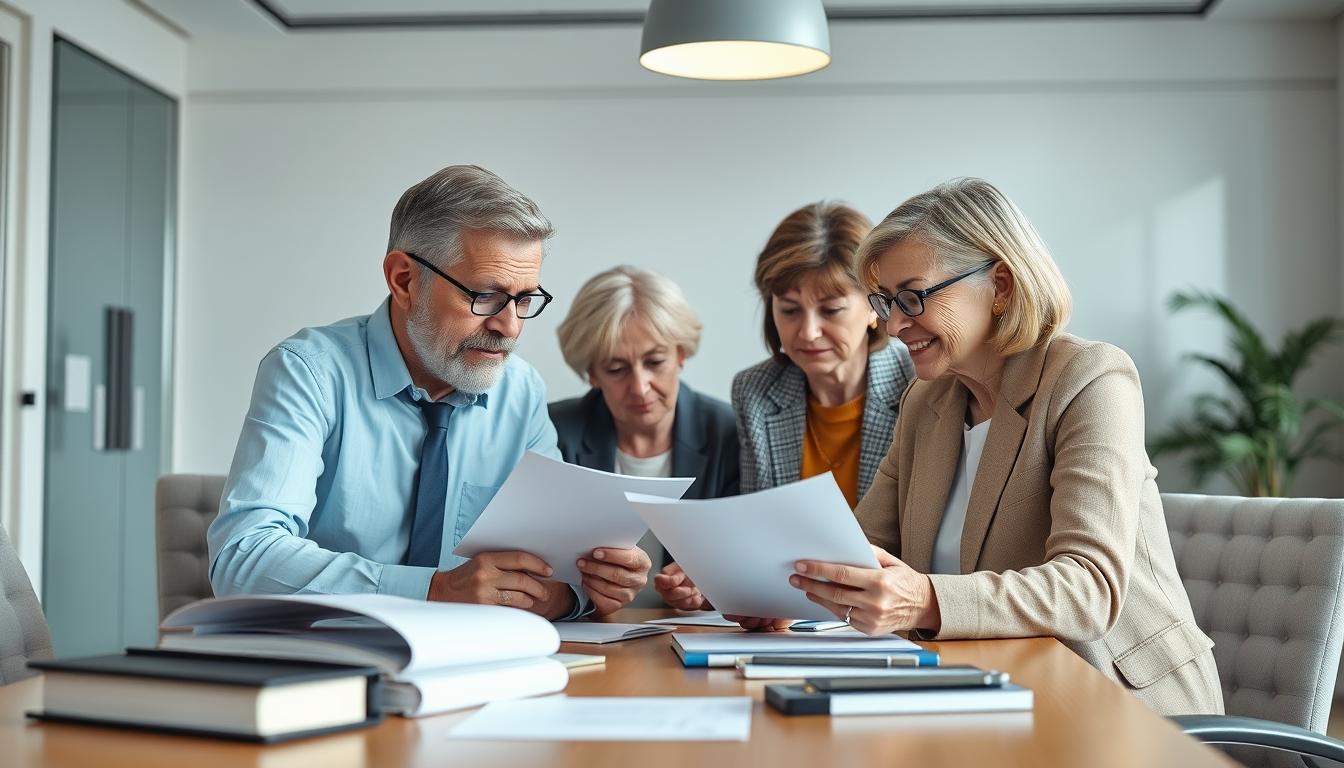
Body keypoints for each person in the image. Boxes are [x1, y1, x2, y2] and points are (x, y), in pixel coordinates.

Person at [787, 178, 1223, 716]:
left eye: (912, 297)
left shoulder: (1090, 378)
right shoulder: (927, 402)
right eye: (884, 301)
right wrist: (768, 591)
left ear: (1001, 286)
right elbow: (854, 550)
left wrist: (924, 599)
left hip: (1115, 704)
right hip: (980, 693)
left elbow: (1089, 589)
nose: (894, 324)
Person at [208, 164, 650, 620]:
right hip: (328, 661)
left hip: (474, 664)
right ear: (404, 280)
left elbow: (557, 564)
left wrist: (591, 582)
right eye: (485, 296)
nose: (509, 327)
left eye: (523, 300)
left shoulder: (520, 391)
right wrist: (433, 591)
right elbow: (243, 559)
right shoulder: (309, 372)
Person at [654, 202, 914, 615]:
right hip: (796, 622)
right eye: (789, 310)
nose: (808, 331)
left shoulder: (919, 387)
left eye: (830, 309)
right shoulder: (757, 391)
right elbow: (762, 538)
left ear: (873, 306)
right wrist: (715, 579)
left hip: (892, 620)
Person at [549, 266, 739, 608]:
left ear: (681, 354)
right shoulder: (554, 432)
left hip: (689, 636)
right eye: (616, 369)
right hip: (589, 632)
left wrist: (710, 588)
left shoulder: (730, 433)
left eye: (654, 362)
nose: (640, 387)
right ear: (591, 372)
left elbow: (745, 565)